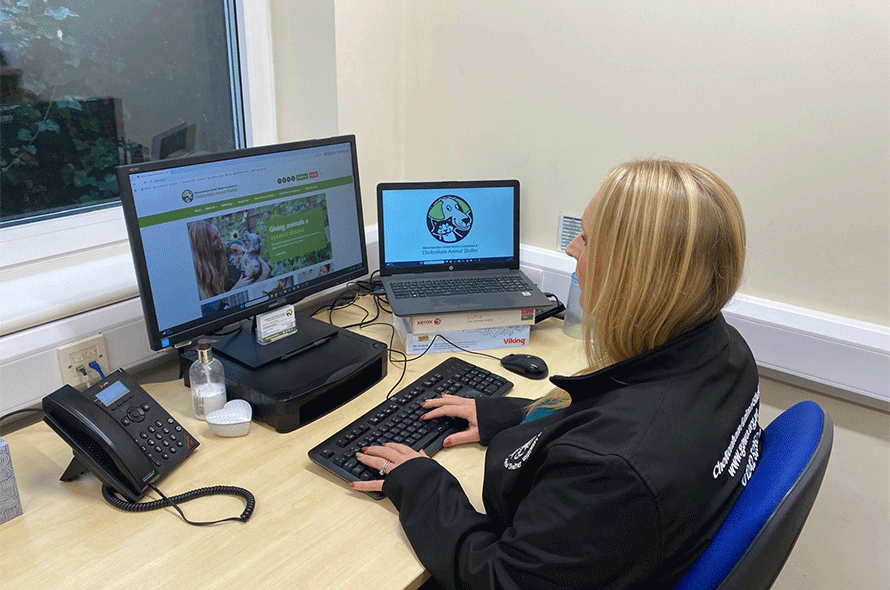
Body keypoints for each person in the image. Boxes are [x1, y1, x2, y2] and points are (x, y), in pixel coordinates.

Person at [351, 159, 761, 590]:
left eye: (586, 238)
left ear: (632, 273)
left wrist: (422, 485)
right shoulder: (725, 352)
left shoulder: (612, 472)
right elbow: (614, 413)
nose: (571, 249)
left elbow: (499, 581)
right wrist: (503, 416)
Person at [188, 219, 270, 299]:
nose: (219, 238)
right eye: (214, 239)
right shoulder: (203, 273)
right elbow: (215, 307)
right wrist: (235, 290)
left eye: (218, 233)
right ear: (204, 247)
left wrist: (247, 290)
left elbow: (266, 269)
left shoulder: (235, 247)